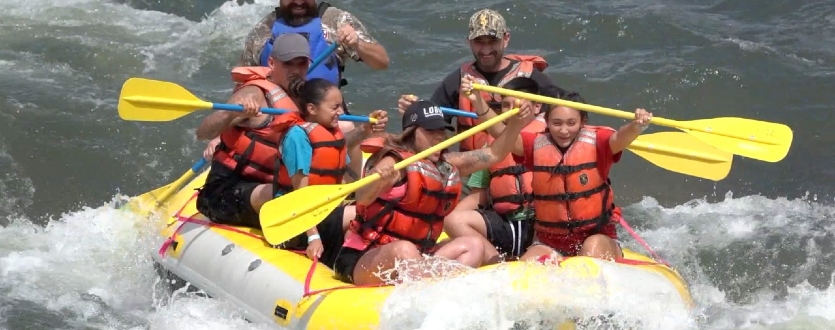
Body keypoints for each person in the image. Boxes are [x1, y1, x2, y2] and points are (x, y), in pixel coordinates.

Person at [332, 99, 530, 285]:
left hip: (419, 256)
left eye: (441, 130)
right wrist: (378, 179)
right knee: (405, 249)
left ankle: (442, 290)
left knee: (473, 245)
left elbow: (494, 154)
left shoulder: (447, 165)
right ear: (411, 132)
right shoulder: (394, 162)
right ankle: (433, 286)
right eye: (430, 131)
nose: (438, 137)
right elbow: (362, 198)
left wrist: (515, 125)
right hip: (364, 258)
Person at [460, 78, 654, 261]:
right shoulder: (534, 145)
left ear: (583, 121)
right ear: (547, 121)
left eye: (571, 123)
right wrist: (477, 100)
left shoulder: (599, 143)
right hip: (550, 241)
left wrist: (637, 126)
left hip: (596, 235)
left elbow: (621, 138)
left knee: (591, 250)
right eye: (557, 123)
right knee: (527, 268)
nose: (563, 130)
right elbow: (501, 132)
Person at [232, 0, 391, 182]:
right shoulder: (262, 31)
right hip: (278, 114)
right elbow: (242, 85)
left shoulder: (335, 21)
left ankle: (350, 191)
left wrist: (357, 44)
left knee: (346, 126)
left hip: (325, 112)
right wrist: (227, 126)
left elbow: (382, 62)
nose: (299, 2)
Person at [396, 8, 565, 153]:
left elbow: (564, 113)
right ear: (469, 42)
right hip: (474, 164)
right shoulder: (457, 80)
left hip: (519, 163)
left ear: (506, 39)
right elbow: (433, 123)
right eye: (479, 42)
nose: (486, 50)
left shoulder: (532, 77)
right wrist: (414, 113)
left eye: (492, 41)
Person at [271, 78, 387, 266]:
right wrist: (313, 237)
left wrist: (366, 130)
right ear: (312, 109)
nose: (341, 112)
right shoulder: (297, 138)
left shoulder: (331, 133)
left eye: (340, 106)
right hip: (296, 220)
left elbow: (338, 176)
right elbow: (300, 195)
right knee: (364, 212)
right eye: (334, 107)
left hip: (325, 210)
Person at [443, 76, 546, 265]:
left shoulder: (549, 138)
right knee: (453, 219)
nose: (512, 110)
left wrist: (479, 101)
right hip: (505, 225)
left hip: (539, 225)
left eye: (518, 105)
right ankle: (496, 265)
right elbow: (479, 195)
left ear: (537, 107)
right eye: (506, 105)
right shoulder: (492, 146)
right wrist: (449, 222)